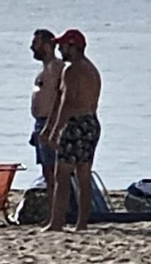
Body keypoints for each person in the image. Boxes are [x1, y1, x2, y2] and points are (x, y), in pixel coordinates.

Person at [41, 30, 102, 232]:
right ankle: (82, 222)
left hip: (76, 123)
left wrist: (55, 130)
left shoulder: (72, 70)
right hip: (91, 122)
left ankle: (57, 222)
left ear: (73, 47)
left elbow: (67, 103)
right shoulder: (92, 69)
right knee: (84, 173)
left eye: (62, 46)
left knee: (63, 173)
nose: (59, 50)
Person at [29, 29, 63, 190]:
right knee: (46, 171)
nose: (31, 47)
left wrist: (52, 127)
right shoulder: (44, 70)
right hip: (40, 123)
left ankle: (58, 212)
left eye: (35, 43)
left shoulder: (56, 68)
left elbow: (61, 98)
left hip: (50, 123)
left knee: (53, 171)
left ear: (48, 46)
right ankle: (52, 212)